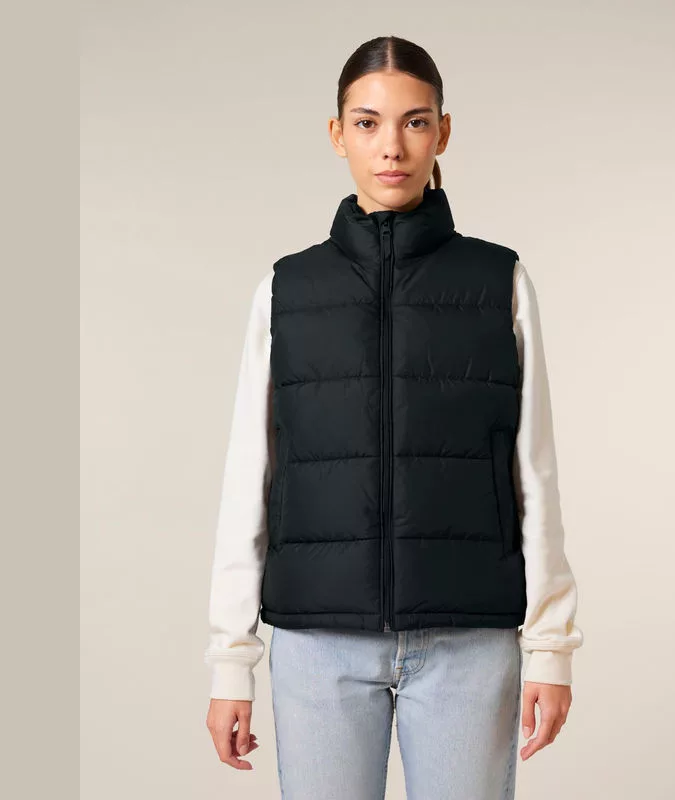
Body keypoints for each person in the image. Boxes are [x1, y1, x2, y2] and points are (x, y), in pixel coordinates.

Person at [204, 35, 584, 800]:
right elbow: (251, 475)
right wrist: (230, 661)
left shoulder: (498, 281)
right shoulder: (287, 290)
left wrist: (551, 648)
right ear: (337, 133)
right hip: (318, 643)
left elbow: (533, 472)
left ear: (443, 132)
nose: (392, 147)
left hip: (468, 640)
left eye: (415, 122)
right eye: (368, 123)